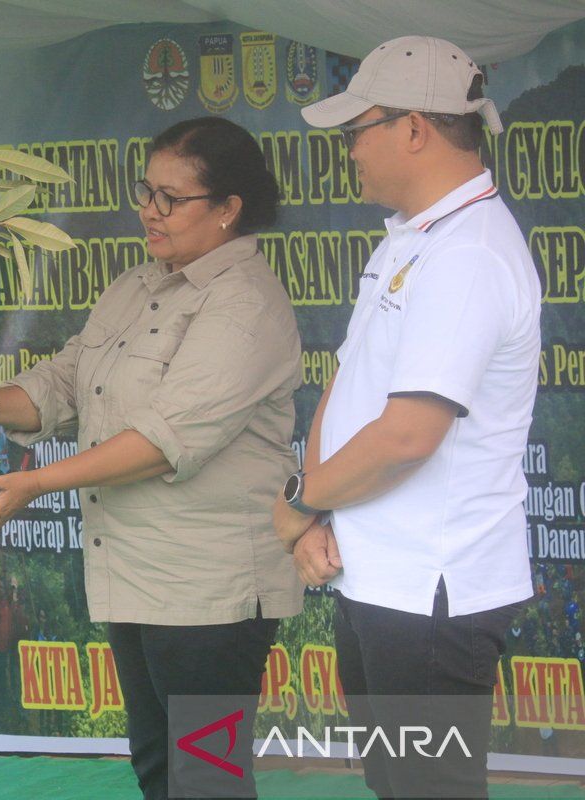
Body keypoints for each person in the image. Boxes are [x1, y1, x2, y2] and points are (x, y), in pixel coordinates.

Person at [0, 117, 303, 799]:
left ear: (227, 209)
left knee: (207, 780)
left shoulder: (246, 304)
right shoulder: (137, 284)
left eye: (170, 197)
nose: (148, 211)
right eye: (144, 191)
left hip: (207, 591)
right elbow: (66, 384)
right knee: (158, 768)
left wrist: (37, 482)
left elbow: (165, 440)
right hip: (133, 575)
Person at [275, 36, 540, 799]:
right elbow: (350, 383)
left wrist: (300, 504)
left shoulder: (468, 255)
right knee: (400, 786)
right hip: (379, 573)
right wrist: (317, 507)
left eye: (359, 131)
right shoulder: (417, 238)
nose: (349, 151)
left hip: (432, 590)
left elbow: (406, 437)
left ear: (415, 129)